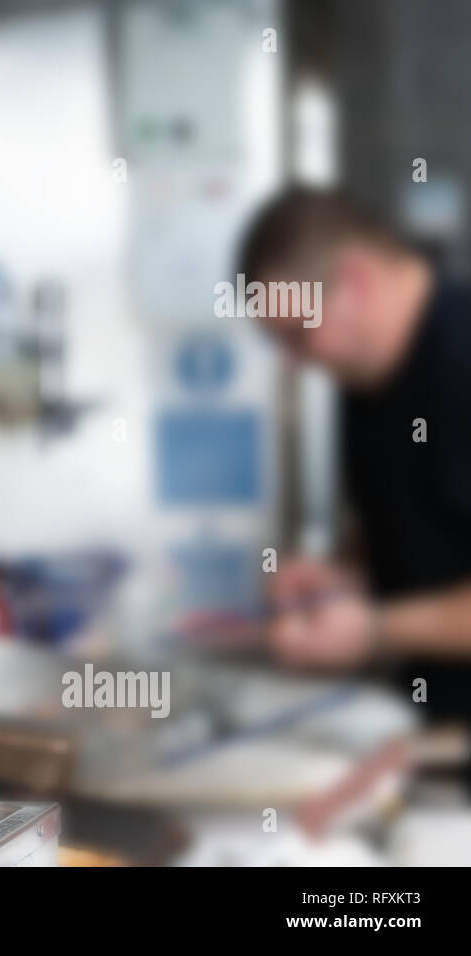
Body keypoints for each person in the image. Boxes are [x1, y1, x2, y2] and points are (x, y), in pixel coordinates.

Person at [237, 188, 471, 722]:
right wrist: (342, 578)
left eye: (298, 334)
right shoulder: (366, 380)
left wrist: (372, 628)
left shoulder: (461, 361)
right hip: (430, 720)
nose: (294, 363)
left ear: (357, 281)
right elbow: (426, 540)